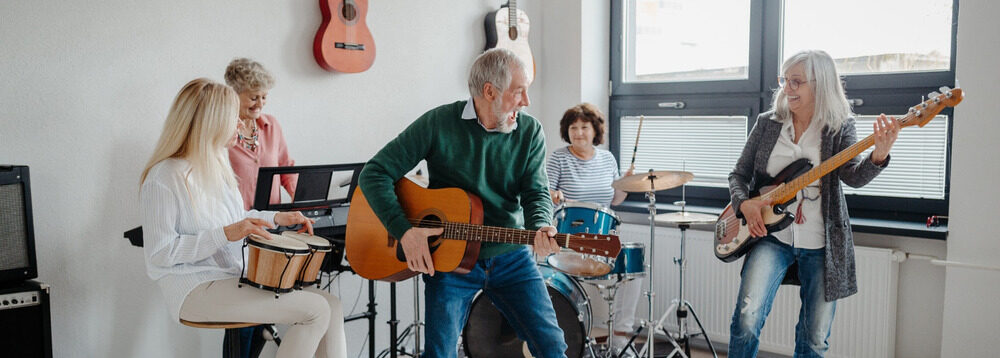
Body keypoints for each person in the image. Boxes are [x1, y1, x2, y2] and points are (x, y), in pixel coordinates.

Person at [358, 48, 567, 358]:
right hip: (451, 261)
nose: (526, 102)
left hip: (512, 258)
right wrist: (404, 230)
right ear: (489, 91)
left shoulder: (530, 131)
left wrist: (541, 225)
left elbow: (536, 192)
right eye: (519, 91)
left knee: (552, 346)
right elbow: (374, 173)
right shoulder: (438, 122)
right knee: (440, 353)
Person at [140, 78, 347, 358]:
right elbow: (160, 253)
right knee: (314, 311)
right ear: (211, 123)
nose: (240, 124)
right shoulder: (164, 177)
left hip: (231, 277)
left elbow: (237, 218)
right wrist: (224, 234)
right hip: (193, 288)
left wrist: (277, 218)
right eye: (233, 118)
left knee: (331, 304)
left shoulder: (216, 164)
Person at [726, 50, 899, 357]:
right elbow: (738, 174)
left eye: (796, 82)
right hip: (771, 236)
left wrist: (878, 156)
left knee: (814, 337)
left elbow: (854, 177)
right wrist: (745, 204)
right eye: (785, 80)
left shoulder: (840, 126)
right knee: (747, 317)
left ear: (821, 85)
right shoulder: (767, 124)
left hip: (822, 242)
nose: (787, 88)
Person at [545, 103, 640, 353]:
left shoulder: (607, 158)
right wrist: (553, 195)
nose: (578, 132)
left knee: (632, 268)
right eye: (573, 128)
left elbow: (615, 201)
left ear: (594, 130)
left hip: (604, 238)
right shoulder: (559, 158)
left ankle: (620, 338)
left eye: (584, 127)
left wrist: (626, 183)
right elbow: (544, 195)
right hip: (570, 238)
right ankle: (569, 339)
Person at [225, 58, 296, 210]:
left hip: (272, 220)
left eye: (264, 97)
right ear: (234, 95)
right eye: (253, 98)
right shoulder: (222, 131)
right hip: (236, 222)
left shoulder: (272, 126)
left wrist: (300, 199)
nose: (260, 104)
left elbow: (286, 168)